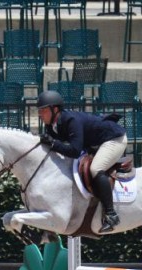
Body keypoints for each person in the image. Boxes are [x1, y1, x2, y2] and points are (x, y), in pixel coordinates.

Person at [37, 90, 128, 233]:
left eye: (43, 110)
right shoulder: (52, 125)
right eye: (39, 111)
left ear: (55, 110)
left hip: (113, 139)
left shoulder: (70, 121)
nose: (39, 114)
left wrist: (53, 143)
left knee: (96, 169)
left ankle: (111, 215)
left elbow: (74, 151)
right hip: (95, 143)